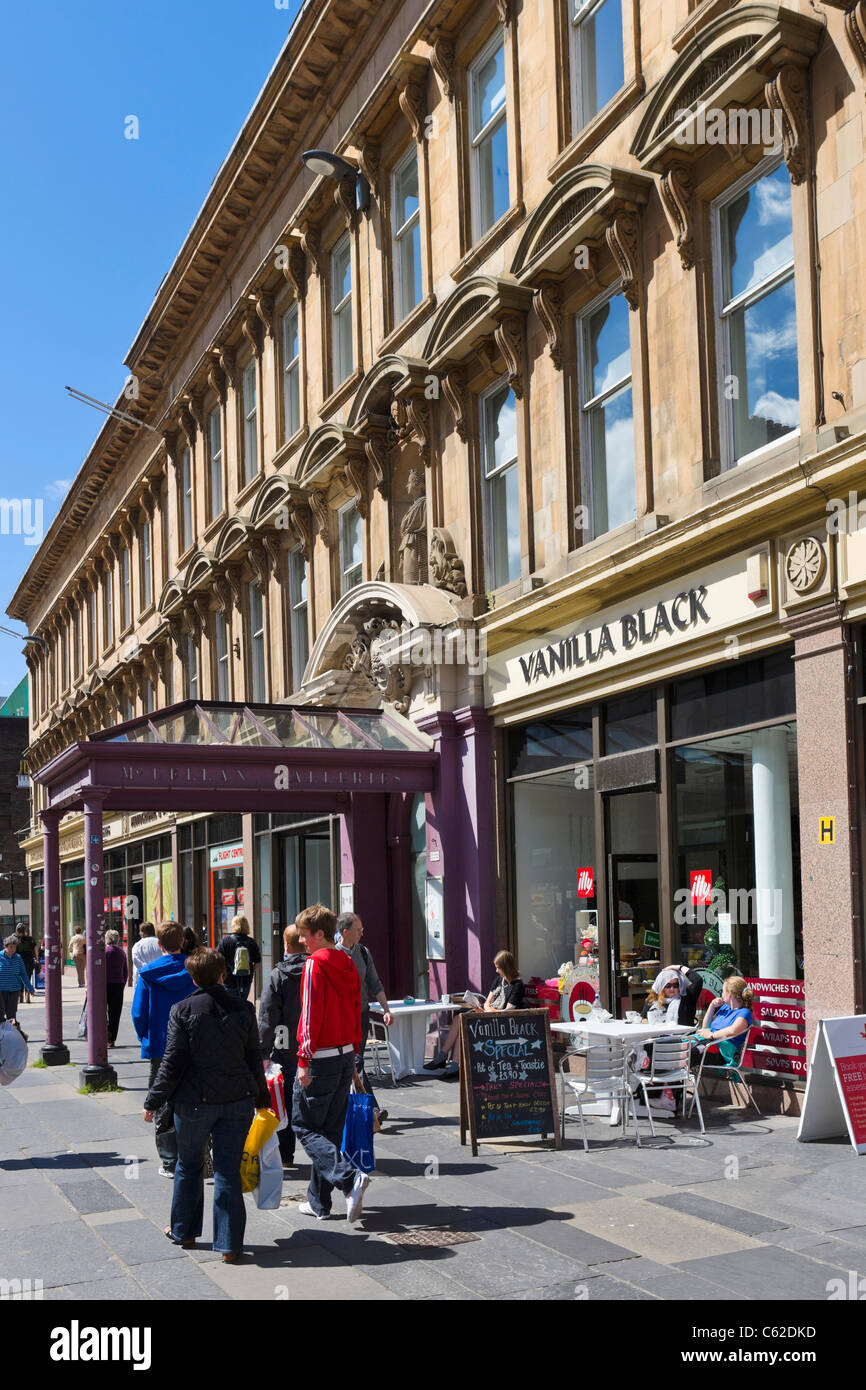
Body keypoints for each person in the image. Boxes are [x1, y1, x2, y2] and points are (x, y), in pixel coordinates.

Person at [143, 947, 269, 1264]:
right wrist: (262, 1098)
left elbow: (173, 1062)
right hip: (237, 1099)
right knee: (227, 1171)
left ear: (193, 978)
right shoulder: (243, 1008)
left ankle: (184, 1231)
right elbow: (254, 1057)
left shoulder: (182, 1010)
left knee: (189, 1165)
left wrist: (154, 1101)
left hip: (194, 1102)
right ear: (223, 974)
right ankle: (229, 1244)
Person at [291, 903, 368, 1223]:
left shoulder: (314, 964)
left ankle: (349, 1179)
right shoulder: (346, 961)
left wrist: (303, 1060)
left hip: (320, 1057)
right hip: (344, 1053)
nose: (301, 941)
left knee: (304, 1125)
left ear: (320, 933)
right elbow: (354, 1008)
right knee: (329, 1130)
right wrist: (353, 1053)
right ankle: (319, 1203)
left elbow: (309, 1016)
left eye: (305, 936)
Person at [132, 922, 197, 1177]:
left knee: (161, 1099)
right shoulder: (194, 969)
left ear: (159, 945)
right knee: (192, 1096)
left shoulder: (148, 973)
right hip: (192, 1042)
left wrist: (144, 1035)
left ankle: (169, 1161)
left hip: (161, 1043)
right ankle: (195, 1153)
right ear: (182, 941)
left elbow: (139, 1013)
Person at [424, 950, 526, 1075]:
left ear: (506, 967)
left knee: (463, 1020)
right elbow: (488, 1001)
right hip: (488, 1013)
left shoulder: (517, 985)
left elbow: (508, 1011)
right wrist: (484, 1009)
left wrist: (488, 1011)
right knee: (459, 1017)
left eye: (498, 968)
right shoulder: (499, 980)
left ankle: (447, 1060)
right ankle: (448, 1059)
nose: (496, 971)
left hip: (499, 1021)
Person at [336, 913, 393, 1123]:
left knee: (357, 1061)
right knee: (352, 1062)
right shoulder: (333, 954)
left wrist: (386, 1010)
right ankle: (369, 1110)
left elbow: (375, 983)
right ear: (345, 932)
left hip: (360, 1015)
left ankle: (369, 1110)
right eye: (358, 929)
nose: (362, 933)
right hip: (341, 1018)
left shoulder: (363, 952)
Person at [258, 924, 306, 1169]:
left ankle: (286, 1156)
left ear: (286, 946)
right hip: (316, 1047)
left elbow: (267, 1017)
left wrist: (263, 1052)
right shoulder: (316, 968)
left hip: (286, 1046)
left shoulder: (278, 975)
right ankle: (323, 1150)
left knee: (284, 1103)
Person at [693, 976, 755, 1064]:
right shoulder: (725, 1008)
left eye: (723, 991)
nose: (721, 994)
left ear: (729, 994)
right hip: (707, 1045)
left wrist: (711, 1035)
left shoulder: (744, 1012)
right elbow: (705, 1027)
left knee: (688, 1054)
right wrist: (712, 1006)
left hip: (720, 1052)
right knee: (677, 1047)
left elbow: (733, 1030)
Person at [217, 914, 261, 1001]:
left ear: (233, 925)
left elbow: (218, 960)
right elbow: (257, 962)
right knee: (242, 1004)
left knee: (231, 1006)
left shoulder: (225, 941)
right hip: (246, 981)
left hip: (229, 980)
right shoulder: (251, 942)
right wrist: (249, 971)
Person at [0, 937, 33, 1042]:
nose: (13, 949)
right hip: (1, 990)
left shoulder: (18, 958)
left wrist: (29, 987)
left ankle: (11, 1038)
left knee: (12, 1016)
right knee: (0, 1015)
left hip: (14, 990)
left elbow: (23, 973)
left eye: (14, 947)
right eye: (10, 947)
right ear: (5, 947)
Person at [104, 929, 129, 1047]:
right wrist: (122, 985)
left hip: (103, 985)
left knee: (101, 1012)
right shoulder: (122, 953)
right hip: (118, 985)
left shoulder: (103, 952)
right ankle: (112, 1038)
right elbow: (125, 972)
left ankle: (103, 1034)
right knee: (115, 1013)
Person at [131, 922, 161, 988]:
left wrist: (135, 984)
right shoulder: (161, 943)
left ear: (143, 932)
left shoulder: (137, 945)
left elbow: (136, 964)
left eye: (140, 931)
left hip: (144, 980)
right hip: (160, 979)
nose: (139, 933)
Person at [14, 925, 36, 1004]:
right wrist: (36, 959)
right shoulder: (30, 939)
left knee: (20, 978)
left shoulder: (15, 939)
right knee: (27, 977)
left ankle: (21, 996)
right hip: (29, 961)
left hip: (18, 961)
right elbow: (35, 949)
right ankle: (27, 995)